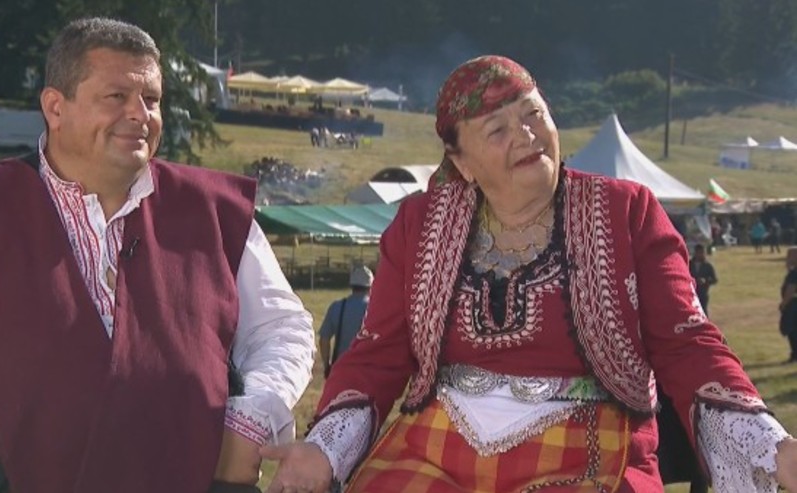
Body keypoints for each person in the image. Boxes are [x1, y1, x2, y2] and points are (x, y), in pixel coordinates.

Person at [261, 55, 797, 493]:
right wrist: (324, 447)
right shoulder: (419, 225)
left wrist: (769, 445)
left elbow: (687, 343)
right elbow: (377, 356)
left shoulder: (627, 212)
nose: (525, 135)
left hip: (589, 448)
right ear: (461, 161)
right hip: (434, 451)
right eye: (497, 129)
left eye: (534, 114)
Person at [0, 17, 314, 493]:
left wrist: (254, 409)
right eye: (116, 96)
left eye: (152, 99)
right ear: (55, 107)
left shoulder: (214, 212)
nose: (140, 114)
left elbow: (281, 328)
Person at [318, 266, 374, 379]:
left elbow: (324, 339)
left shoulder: (337, 307)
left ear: (352, 285)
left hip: (341, 370)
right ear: (371, 287)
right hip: (368, 372)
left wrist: (327, 365)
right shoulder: (375, 309)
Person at [689, 243, 718, 316]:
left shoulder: (708, 266)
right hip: (691, 293)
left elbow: (714, 280)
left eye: (702, 253)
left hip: (703, 293)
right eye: (699, 252)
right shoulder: (689, 264)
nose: (701, 255)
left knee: (703, 312)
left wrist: (705, 281)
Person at [780, 248, 797, 363]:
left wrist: (783, 304)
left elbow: (791, 290)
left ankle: (795, 354)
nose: (787, 258)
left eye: (789, 256)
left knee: (791, 330)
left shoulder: (794, 274)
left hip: (793, 305)